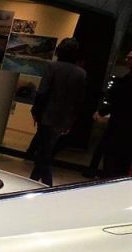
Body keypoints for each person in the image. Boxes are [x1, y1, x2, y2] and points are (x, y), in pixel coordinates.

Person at [28, 38, 86, 186]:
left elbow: (43, 92)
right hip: (64, 118)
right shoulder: (81, 73)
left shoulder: (52, 67)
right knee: (46, 150)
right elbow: (78, 102)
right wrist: (71, 121)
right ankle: (36, 182)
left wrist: (35, 111)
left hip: (47, 115)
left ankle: (44, 184)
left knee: (44, 153)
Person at [93, 50, 132, 178]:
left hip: (121, 126)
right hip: (122, 125)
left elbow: (121, 101)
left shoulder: (128, 80)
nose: (127, 60)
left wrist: (102, 111)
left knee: (113, 159)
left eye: (130, 58)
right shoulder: (127, 77)